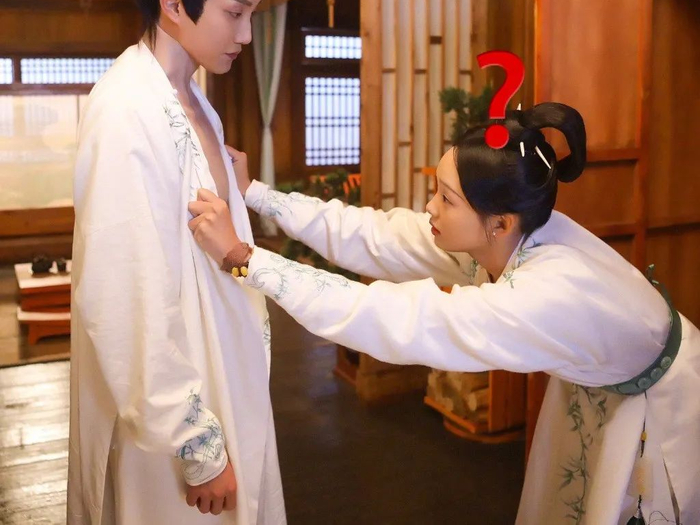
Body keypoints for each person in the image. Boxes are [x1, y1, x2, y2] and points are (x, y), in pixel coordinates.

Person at [189, 103, 700, 525]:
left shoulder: (547, 295)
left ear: (498, 223)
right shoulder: (509, 231)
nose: (431, 208)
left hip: (656, 408)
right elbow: (376, 235)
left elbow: (390, 316)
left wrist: (244, 258)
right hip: (597, 392)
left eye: (446, 198)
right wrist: (254, 194)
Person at [69, 0, 285, 524]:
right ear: (173, 2)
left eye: (252, 14)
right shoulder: (126, 109)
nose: (246, 35)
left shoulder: (194, 101)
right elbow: (122, 292)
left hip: (225, 368)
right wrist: (196, 444)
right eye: (234, 12)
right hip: (173, 410)